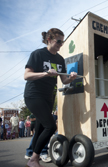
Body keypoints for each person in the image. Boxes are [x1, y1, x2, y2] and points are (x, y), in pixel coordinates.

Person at [24, 28, 77, 167]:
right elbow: (27, 75)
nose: (61, 44)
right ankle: (33, 160)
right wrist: (45, 73)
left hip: (49, 97)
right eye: (58, 41)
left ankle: (31, 153)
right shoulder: (38, 54)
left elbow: (63, 80)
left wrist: (71, 78)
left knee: (42, 128)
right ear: (49, 39)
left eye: (62, 41)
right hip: (34, 95)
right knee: (51, 126)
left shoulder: (60, 59)